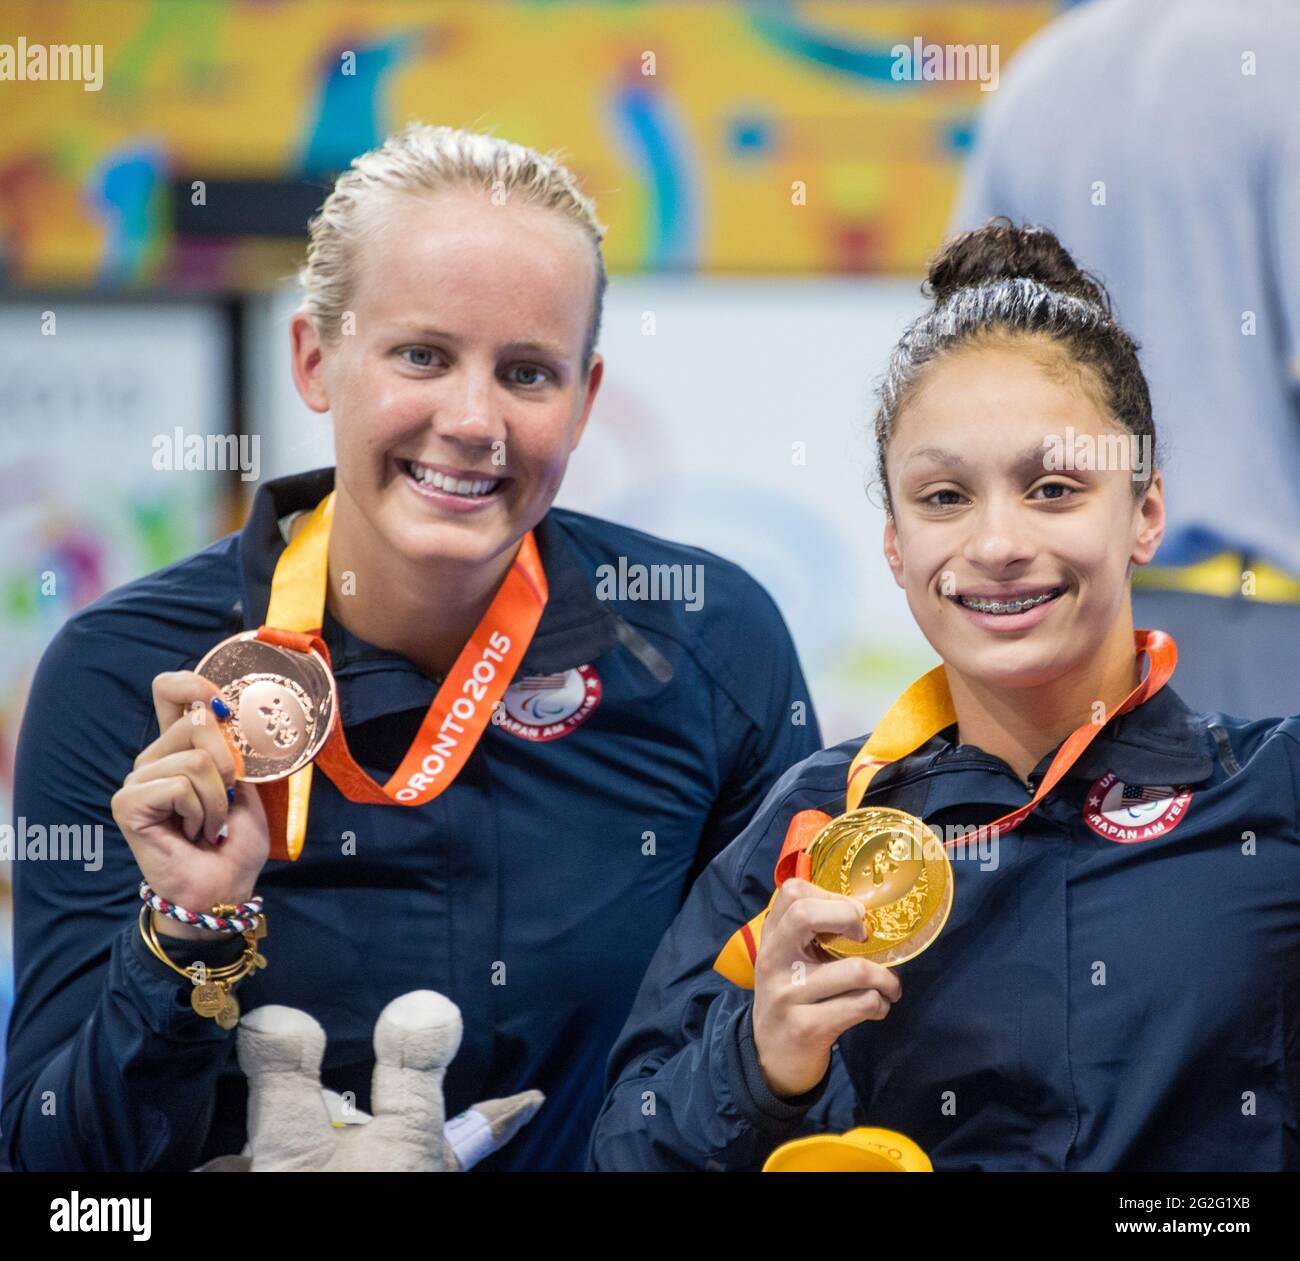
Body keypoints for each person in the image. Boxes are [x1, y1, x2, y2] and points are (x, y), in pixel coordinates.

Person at [1, 123, 822, 1173]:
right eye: (422, 355)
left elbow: (778, 1079)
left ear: (585, 398)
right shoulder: (121, 675)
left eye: (527, 373)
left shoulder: (709, 643)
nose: (473, 419)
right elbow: (55, 1175)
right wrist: (186, 930)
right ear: (314, 358)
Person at [590, 221, 1300, 1172]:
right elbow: (622, 1153)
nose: (997, 542)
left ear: (1146, 511)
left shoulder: (1275, 796)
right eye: (944, 497)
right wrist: (758, 1068)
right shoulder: (812, 825)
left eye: (1053, 488)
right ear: (893, 544)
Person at [950, 0, 1300, 718]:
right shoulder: (1284, 49)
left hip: (1069, 634)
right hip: (1264, 622)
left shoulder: (1038, 76)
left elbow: (965, 360)